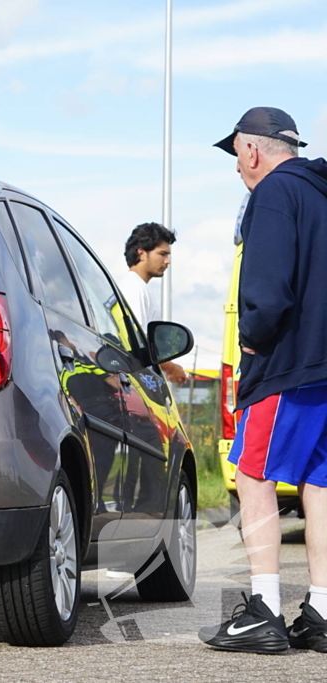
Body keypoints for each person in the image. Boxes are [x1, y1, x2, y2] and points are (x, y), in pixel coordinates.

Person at [199, 106, 327, 654]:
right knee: (320, 485)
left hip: (285, 366)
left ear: (252, 150)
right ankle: (321, 611)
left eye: (236, 155)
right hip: (324, 367)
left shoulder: (273, 194)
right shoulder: (321, 193)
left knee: (253, 476)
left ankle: (264, 610)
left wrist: (253, 333)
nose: (236, 168)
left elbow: (268, 290)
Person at [115, 222, 187, 385]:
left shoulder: (137, 286)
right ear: (141, 254)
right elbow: (138, 344)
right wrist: (171, 367)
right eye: (162, 254)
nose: (167, 261)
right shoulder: (134, 288)